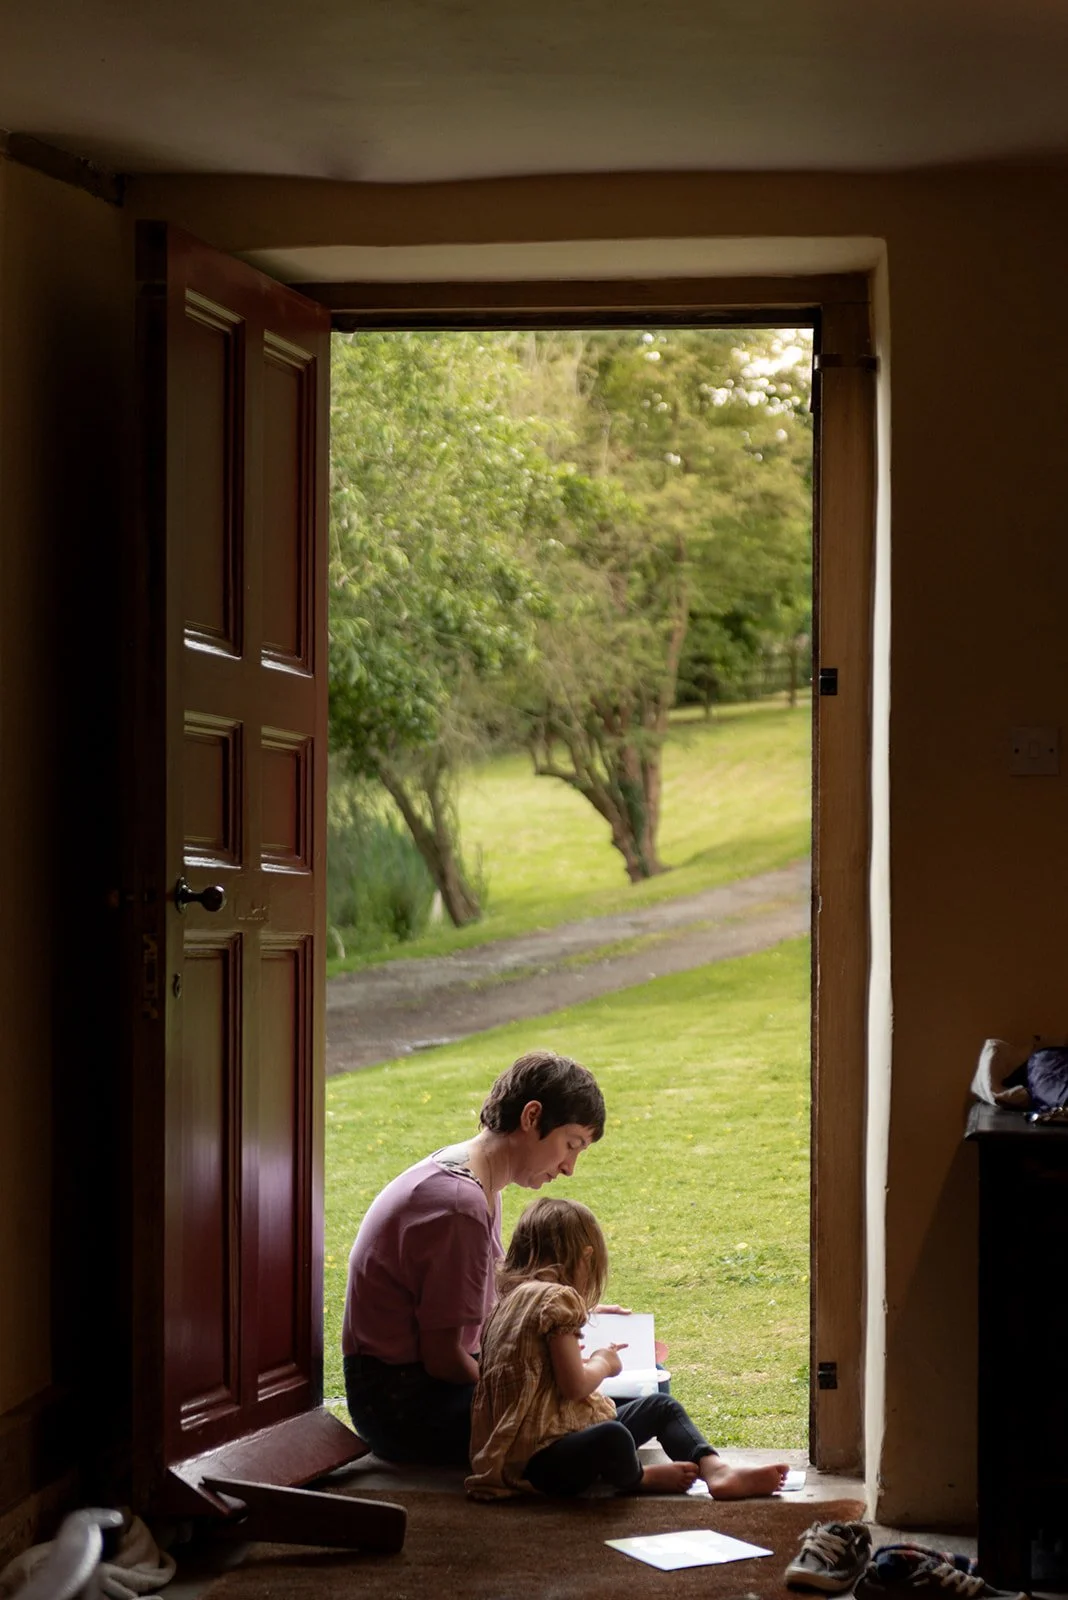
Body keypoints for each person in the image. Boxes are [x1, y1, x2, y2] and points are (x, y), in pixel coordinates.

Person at [342, 1049, 606, 1466]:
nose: (570, 1167)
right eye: (571, 1145)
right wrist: (524, 1390)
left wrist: (568, 1310)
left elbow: (485, 1297)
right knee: (586, 1410)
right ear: (532, 1117)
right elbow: (444, 1358)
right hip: (406, 1406)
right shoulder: (459, 1204)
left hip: (423, 1386)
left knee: (609, 1393)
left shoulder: (479, 1181)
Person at [466, 1196, 790, 1501]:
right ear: (585, 1258)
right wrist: (603, 1362)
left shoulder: (505, 1306)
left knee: (660, 1406)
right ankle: (639, 1478)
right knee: (613, 1436)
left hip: (538, 1443)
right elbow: (575, 1385)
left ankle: (716, 1469)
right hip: (540, 1463)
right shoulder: (555, 1298)